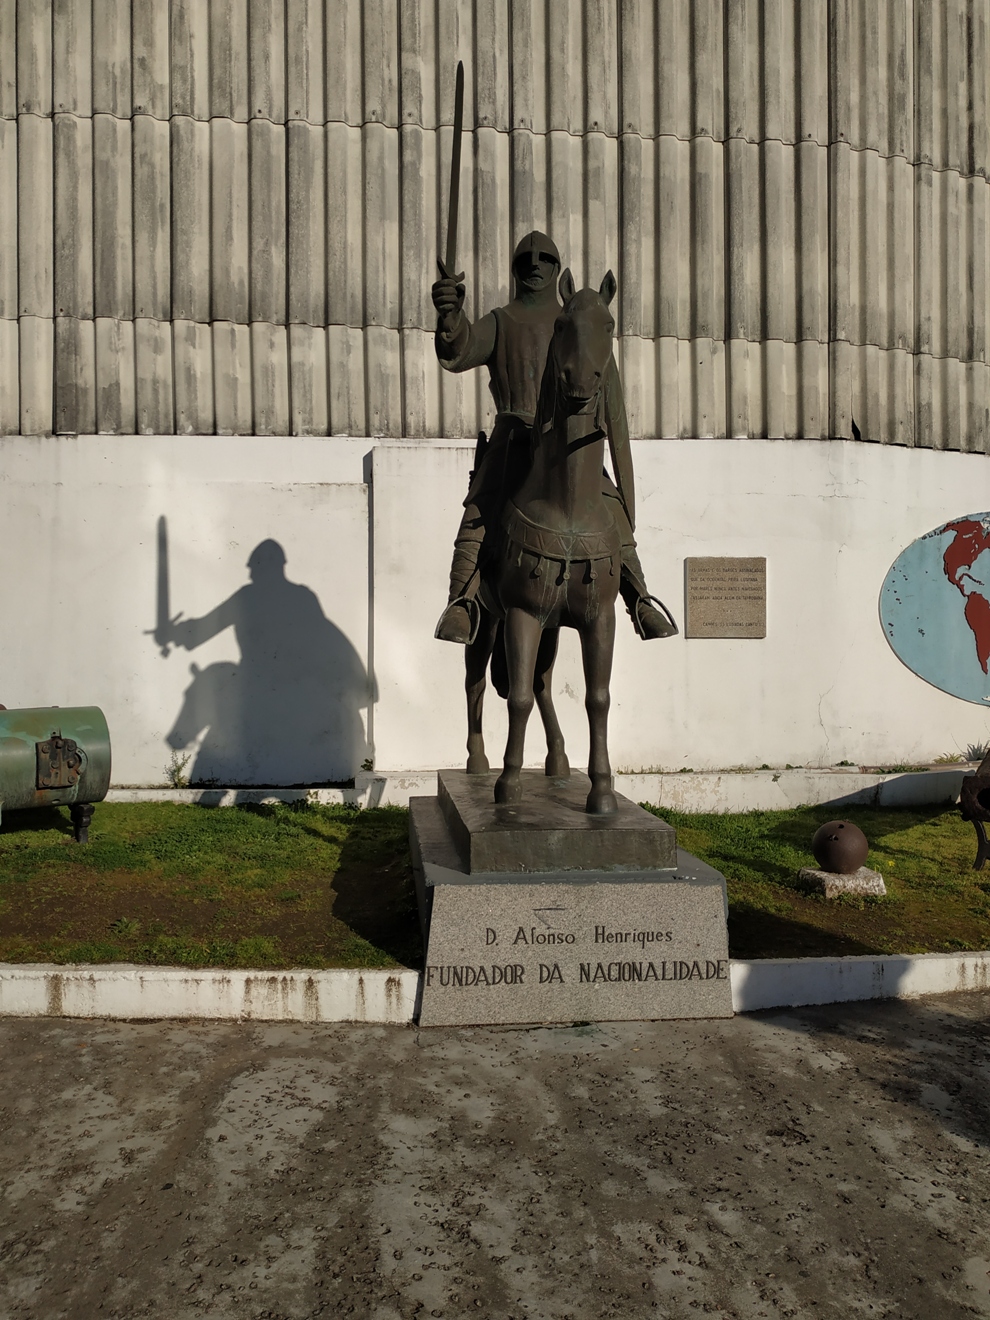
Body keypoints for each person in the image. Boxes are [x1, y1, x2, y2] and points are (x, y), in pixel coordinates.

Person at [432, 230, 676, 644]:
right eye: (527, 261)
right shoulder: (501, 321)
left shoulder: (577, 323)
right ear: (515, 270)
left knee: (610, 503)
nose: (535, 266)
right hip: (514, 439)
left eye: (544, 259)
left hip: (568, 442)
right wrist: (451, 316)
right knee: (480, 509)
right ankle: (463, 601)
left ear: (556, 267)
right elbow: (461, 350)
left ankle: (638, 597)